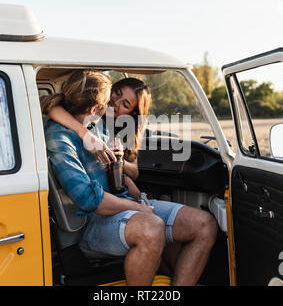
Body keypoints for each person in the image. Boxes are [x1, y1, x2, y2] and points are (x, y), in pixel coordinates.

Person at [43, 70, 217, 286]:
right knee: (152, 228)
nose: (113, 106)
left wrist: (119, 166)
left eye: (123, 104)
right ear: (95, 108)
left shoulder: (98, 123)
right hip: (92, 223)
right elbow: (89, 200)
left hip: (123, 204)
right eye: (111, 98)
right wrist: (138, 208)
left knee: (204, 225)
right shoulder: (59, 138)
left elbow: (126, 172)